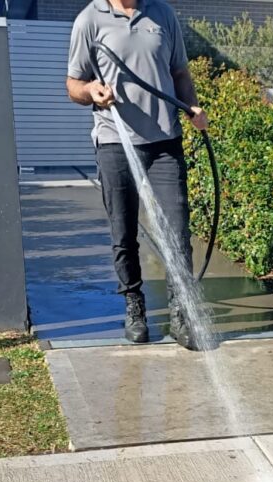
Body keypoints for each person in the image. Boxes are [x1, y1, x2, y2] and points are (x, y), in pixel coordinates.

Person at [66, 0, 208, 350]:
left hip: (165, 141)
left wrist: (192, 106)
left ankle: (180, 312)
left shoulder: (163, 14)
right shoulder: (90, 19)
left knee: (177, 230)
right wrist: (91, 92)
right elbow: (73, 83)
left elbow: (179, 74)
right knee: (124, 231)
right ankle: (135, 307)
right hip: (115, 141)